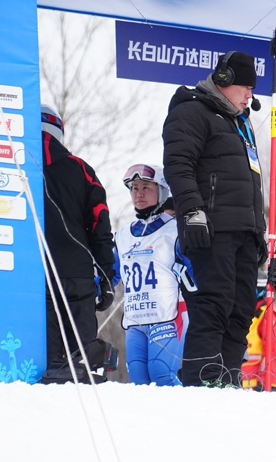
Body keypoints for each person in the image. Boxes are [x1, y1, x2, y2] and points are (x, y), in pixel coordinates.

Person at [162, 51, 268, 387]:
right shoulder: (192, 111)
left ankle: (227, 377)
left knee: (242, 308)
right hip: (212, 228)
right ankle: (202, 378)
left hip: (245, 231)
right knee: (215, 302)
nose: (249, 96)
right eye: (245, 87)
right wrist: (192, 212)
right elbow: (178, 165)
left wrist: (259, 230)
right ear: (224, 81)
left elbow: (251, 181)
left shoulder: (241, 123)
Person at [39, 104, 118, 384]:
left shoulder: (13, 164)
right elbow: (100, 225)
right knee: (79, 363)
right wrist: (107, 276)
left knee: (41, 362)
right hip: (76, 273)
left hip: (30, 273)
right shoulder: (81, 169)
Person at [112, 164, 187, 386]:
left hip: (166, 317)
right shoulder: (123, 235)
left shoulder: (176, 230)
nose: (139, 194)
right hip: (136, 321)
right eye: (134, 188)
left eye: (146, 187)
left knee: (161, 374)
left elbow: (196, 271)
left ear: (162, 191)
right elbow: (110, 273)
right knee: (139, 383)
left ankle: (190, 409)